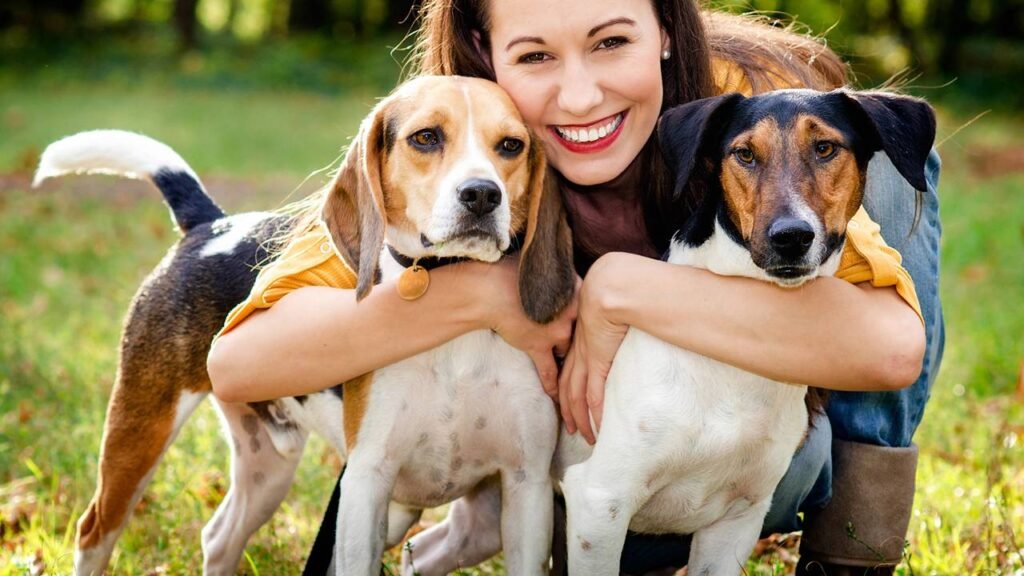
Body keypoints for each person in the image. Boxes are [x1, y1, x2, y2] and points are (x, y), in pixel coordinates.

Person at [207, 0, 944, 574]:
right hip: (578, 475)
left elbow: (887, 350)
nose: (582, 93)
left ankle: (851, 546)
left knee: (881, 168)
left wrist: (618, 290)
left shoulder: (747, 115)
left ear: (663, 31)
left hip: (752, 460)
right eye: (533, 55)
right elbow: (241, 363)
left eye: (611, 41)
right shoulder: (454, 141)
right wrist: (482, 294)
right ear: (482, 56)